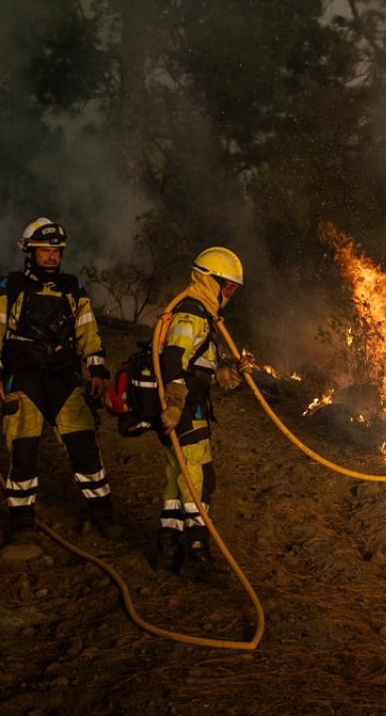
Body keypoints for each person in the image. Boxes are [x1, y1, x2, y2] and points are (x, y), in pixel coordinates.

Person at [0, 218, 116, 561]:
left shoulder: (73, 288)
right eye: (45, 251)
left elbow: (88, 333)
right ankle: (22, 525)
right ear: (29, 252)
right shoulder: (10, 287)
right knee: (23, 451)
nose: (52, 256)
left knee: (85, 446)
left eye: (57, 251)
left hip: (65, 379)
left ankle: (104, 516)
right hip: (24, 379)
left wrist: (98, 371)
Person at [153, 246, 249, 583]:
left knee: (176, 475)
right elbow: (173, 359)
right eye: (228, 287)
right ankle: (196, 551)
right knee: (198, 477)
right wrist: (175, 403)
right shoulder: (192, 313)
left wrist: (228, 372)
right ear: (211, 281)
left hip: (189, 403)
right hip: (183, 406)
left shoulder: (204, 315)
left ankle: (168, 548)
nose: (229, 295)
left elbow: (199, 366)